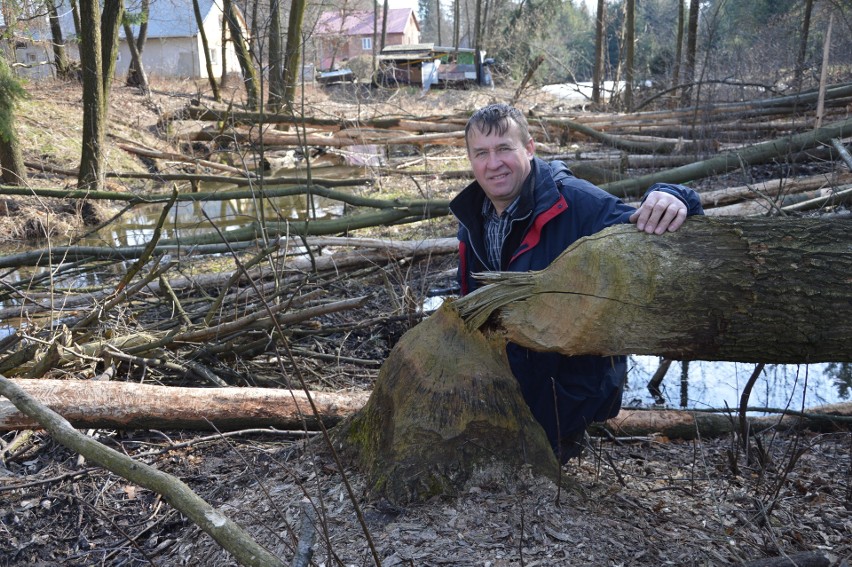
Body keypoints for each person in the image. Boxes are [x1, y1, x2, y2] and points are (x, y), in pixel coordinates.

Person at [449, 103, 704, 463]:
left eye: (505, 148)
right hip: (503, 393)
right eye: (482, 153)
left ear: (530, 148)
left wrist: (676, 196)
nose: (493, 163)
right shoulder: (472, 215)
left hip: (563, 400)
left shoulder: (576, 202)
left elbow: (646, 229)